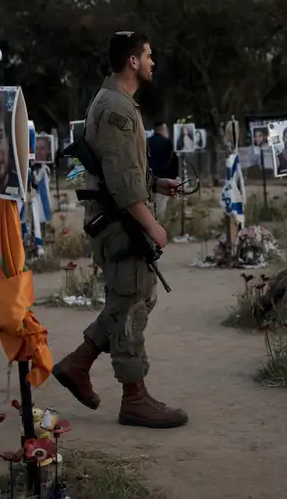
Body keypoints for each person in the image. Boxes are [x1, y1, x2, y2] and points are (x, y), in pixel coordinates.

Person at [52, 31, 187, 429]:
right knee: (131, 305)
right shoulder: (117, 108)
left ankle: (78, 364)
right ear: (132, 61)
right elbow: (123, 183)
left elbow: (115, 170)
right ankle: (134, 398)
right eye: (148, 55)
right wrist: (153, 225)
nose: (152, 62)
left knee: (128, 300)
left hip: (115, 217)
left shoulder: (113, 101)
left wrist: (157, 184)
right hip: (120, 223)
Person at [147, 122, 178, 219]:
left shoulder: (147, 141)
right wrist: (174, 176)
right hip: (165, 177)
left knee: (151, 204)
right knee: (162, 205)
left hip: (149, 178)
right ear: (163, 129)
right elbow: (173, 160)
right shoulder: (167, 142)